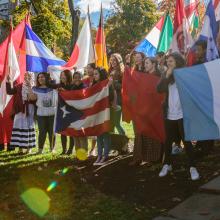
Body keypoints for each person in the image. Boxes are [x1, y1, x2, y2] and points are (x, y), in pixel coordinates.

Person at [157, 52, 199, 181]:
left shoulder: (184, 73)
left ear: (177, 62)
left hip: (182, 114)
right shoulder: (166, 75)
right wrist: (167, 75)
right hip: (170, 114)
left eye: (171, 61)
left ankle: (192, 167)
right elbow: (159, 89)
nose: (168, 63)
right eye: (167, 61)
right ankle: (167, 164)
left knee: (186, 141)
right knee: (168, 141)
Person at [130, 57, 163, 165]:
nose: (145, 65)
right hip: (143, 109)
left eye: (147, 63)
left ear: (154, 64)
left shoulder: (158, 76)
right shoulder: (144, 76)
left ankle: (154, 158)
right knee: (142, 132)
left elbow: (159, 93)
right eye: (145, 63)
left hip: (154, 110)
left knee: (153, 133)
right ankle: (140, 157)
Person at [193, 40, 214, 158]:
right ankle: (200, 142)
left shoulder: (209, 63)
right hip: (199, 97)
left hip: (208, 98)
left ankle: (207, 146)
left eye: (198, 50)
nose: (196, 52)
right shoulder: (196, 63)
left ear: (205, 50)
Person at [6, 72, 36, 153]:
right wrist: (8, 82)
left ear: (32, 77)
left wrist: (30, 87)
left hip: (29, 109)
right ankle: (20, 148)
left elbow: (34, 99)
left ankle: (29, 148)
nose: (27, 77)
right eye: (25, 75)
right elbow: (9, 91)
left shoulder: (35, 87)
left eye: (29, 76)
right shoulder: (19, 86)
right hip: (19, 109)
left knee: (28, 126)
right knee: (19, 126)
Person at [93, 67, 115, 165]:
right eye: (94, 74)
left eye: (96, 74)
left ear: (101, 75)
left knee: (105, 133)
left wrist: (106, 87)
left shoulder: (108, 84)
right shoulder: (93, 85)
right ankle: (99, 155)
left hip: (106, 112)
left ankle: (105, 156)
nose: (94, 76)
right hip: (97, 112)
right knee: (99, 134)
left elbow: (111, 96)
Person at [30, 72, 57, 154]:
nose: (40, 78)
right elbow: (32, 98)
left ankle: (52, 149)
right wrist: (30, 89)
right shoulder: (35, 88)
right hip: (41, 113)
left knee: (52, 132)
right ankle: (40, 150)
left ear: (46, 78)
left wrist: (52, 79)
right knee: (42, 132)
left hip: (52, 112)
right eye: (39, 77)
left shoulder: (53, 87)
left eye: (42, 77)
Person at [49, 70, 74, 155]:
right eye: (61, 75)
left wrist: (65, 91)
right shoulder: (59, 85)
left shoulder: (72, 85)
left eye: (64, 75)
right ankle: (64, 150)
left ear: (68, 76)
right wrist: (51, 78)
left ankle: (70, 150)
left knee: (71, 130)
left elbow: (74, 95)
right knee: (63, 130)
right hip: (61, 111)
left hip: (71, 110)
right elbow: (50, 85)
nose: (62, 76)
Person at [72, 71, 88, 155]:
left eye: (79, 77)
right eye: (75, 77)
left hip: (82, 114)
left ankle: (84, 154)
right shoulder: (72, 88)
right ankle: (78, 155)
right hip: (74, 114)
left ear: (82, 78)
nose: (77, 79)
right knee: (75, 135)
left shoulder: (84, 87)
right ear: (73, 79)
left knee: (82, 134)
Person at [109, 53, 125, 135]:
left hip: (118, 100)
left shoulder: (122, 72)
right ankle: (113, 144)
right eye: (111, 60)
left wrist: (114, 83)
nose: (113, 62)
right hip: (110, 100)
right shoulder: (110, 71)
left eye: (114, 60)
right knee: (111, 124)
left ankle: (125, 143)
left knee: (117, 123)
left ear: (118, 60)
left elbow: (124, 86)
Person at [83, 63, 97, 157]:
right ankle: (86, 148)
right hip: (86, 106)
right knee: (86, 128)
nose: (88, 70)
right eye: (87, 68)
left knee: (94, 128)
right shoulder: (84, 80)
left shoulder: (97, 79)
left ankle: (93, 149)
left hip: (95, 106)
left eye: (90, 68)